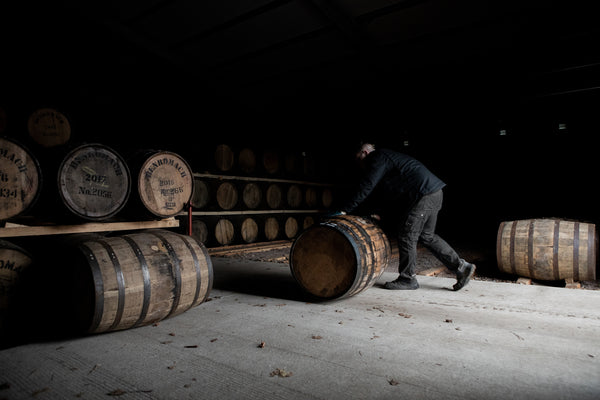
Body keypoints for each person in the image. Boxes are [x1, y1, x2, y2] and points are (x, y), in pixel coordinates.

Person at [331, 143, 476, 291]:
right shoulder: (388, 160)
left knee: (407, 235)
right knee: (427, 236)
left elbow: (367, 186)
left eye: (359, 159)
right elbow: (386, 193)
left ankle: (408, 279)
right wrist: (379, 212)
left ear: (365, 152)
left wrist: (344, 210)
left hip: (424, 194)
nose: (360, 164)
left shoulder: (378, 157)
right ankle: (462, 268)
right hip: (434, 192)